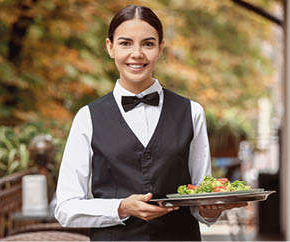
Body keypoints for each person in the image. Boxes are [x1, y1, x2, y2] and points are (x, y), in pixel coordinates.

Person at [54, 4, 247, 241]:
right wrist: (121, 207)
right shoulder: (87, 117)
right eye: (126, 43)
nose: (137, 53)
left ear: (160, 48)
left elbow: (199, 197)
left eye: (148, 43)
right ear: (110, 47)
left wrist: (211, 210)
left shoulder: (192, 112)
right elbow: (66, 207)